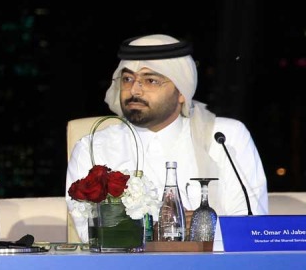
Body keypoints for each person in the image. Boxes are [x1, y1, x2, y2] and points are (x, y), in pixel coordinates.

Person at [66, 34, 268, 241]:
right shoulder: (93, 147)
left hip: (215, 269)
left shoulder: (225, 137)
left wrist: (199, 229)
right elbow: (90, 233)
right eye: (127, 79)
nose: (134, 90)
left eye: (150, 80)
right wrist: (168, 229)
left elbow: (251, 224)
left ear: (182, 91)